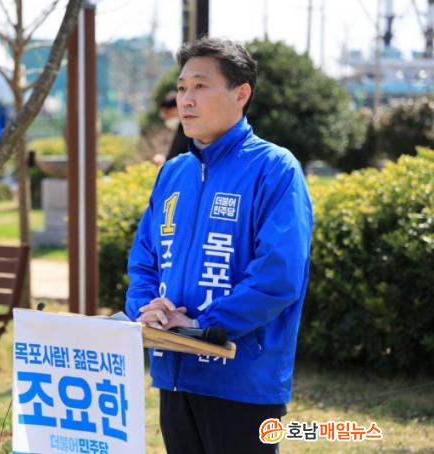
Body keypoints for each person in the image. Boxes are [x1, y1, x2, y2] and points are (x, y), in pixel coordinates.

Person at [125, 37, 313, 453]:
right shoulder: (173, 173)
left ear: (241, 93)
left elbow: (278, 276)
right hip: (174, 373)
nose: (186, 100)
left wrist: (201, 328)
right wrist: (148, 311)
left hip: (242, 380)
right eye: (181, 88)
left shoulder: (274, 169)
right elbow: (144, 261)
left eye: (200, 86)